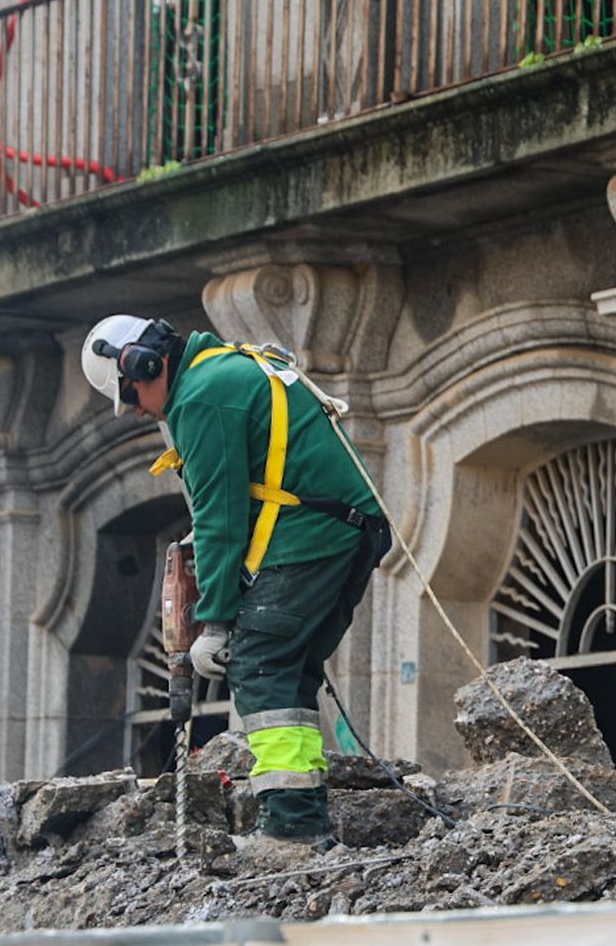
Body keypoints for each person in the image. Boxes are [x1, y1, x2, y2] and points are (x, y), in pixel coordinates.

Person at [81, 315, 390, 846]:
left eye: (130, 396)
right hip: (343, 530)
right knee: (286, 669)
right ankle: (304, 818)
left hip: (315, 534)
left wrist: (217, 621)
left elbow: (220, 519)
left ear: (143, 364)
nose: (135, 410)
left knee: (260, 661)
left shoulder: (202, 397)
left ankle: (291, 829)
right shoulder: (223, 370)